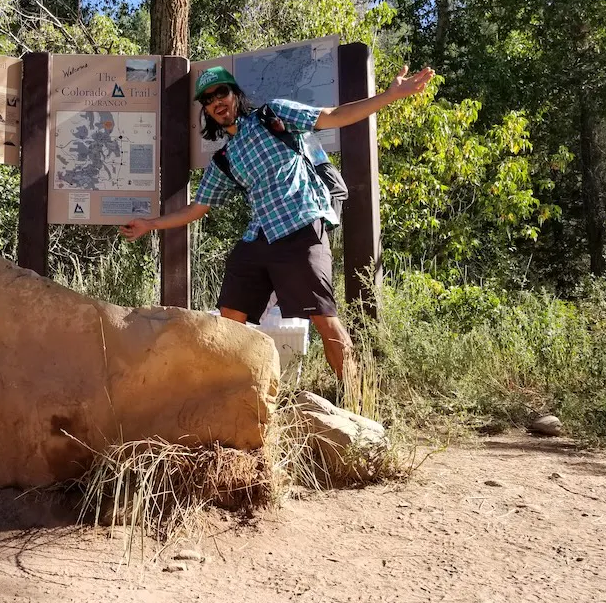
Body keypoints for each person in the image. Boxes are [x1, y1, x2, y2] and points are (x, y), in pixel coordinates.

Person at [120, 64, 434, 379]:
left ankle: (353, 401)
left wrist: (391, 95)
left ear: (235, 95)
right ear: (206, 110)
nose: (216, 101)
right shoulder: (224, 158)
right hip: (258, 237)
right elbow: (197, 208)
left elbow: (335, 115)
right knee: (229, 319)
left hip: (300, 225)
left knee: (324, 319)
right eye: (208, 98)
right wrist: (150, 224)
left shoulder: (275, 116)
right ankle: (237, 395)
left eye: (221, 92)